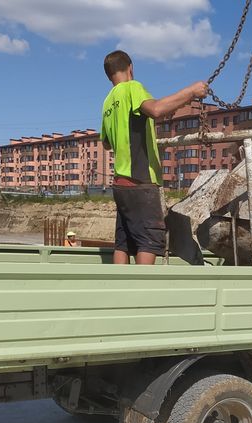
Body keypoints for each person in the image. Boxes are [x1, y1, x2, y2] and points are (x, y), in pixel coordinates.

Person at [100, 50, 208, 264]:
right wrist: (192, 92)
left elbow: (105, 142)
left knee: (124, 243)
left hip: (120, 184)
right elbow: (156, 109)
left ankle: (118, 290)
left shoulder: (108, 102)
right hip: (141, 182)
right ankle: (142, 294)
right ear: (130, 67)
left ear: (108, 75)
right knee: (148, 242)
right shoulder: (133, 87)